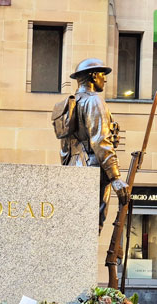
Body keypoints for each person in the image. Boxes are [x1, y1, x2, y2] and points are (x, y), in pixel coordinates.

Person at [59, 58, 130, 233]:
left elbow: (64, 149)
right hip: (92, 168)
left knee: (77, 226)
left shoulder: (70, 103)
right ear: (92, 76)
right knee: (92, 226)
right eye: (101, 74)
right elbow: (100, 141)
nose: (104, 79)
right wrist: (115, 177)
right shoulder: (94, 101)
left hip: (73, 167)